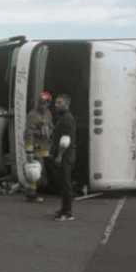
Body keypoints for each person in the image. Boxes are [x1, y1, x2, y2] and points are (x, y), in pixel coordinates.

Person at [46, 93, 77, 221]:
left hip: (66, 156)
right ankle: (64, 209)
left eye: (60, 103)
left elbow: (65, 140)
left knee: (66, 184)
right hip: (65, 156)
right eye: (56, 103)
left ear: (66, 104)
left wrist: (59, 156)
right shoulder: (64, 118)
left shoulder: (67, 119)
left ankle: (67, 212)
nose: (56, 105)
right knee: (64, 183)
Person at [24, 93, 54, 202]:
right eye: (41, 101)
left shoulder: (48, 113)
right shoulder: (32, 115)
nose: (43, 104)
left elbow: (50, 127)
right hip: (36, 148)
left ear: (49, 103)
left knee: (41, 171)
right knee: (33, 171)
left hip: (45, 147)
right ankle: (31, 195)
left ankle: (38, 191)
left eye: (46, 102)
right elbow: (28, 134)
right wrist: (29, 150)